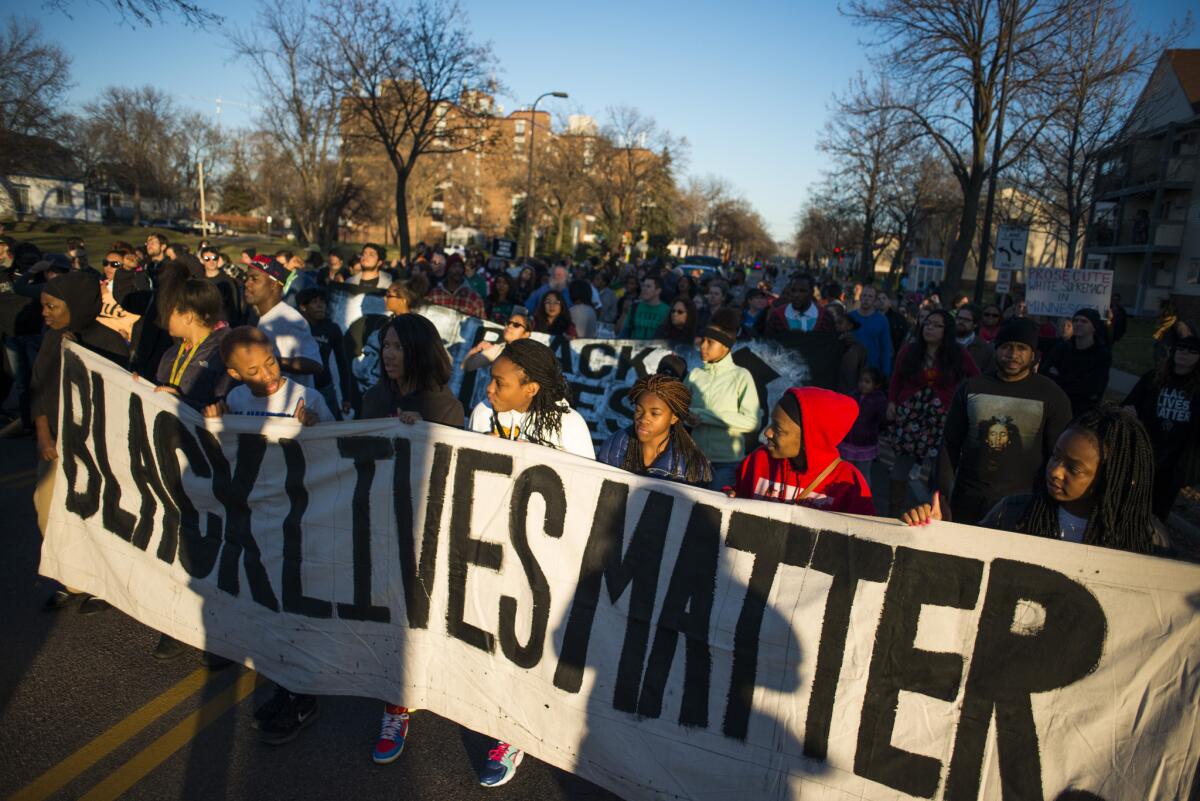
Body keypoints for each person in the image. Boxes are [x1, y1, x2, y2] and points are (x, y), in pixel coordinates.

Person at [466, 338, 594, 786]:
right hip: (490, 548)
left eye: (499, 382)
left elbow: (586, 494)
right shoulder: (484, 415)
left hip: (542, 561)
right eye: (489, 379)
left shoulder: (568, 426)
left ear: (532, 388)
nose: (489, 389)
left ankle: (514, 732)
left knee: (527, 647)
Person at [205, 326, 331, 744]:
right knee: (268, 610)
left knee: (294, 610)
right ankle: (283, 685)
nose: (269, 375)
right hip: (257, 524)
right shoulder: (235, 402)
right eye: (255, 370)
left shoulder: (305, 398)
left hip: (300, 523)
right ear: (235, 374)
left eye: (272, 362)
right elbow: (226, 459)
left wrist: (315, 428)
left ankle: (302, 696)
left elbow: (339, 454)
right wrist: (213, 428)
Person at [905, 406, 1168, 555]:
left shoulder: (1149, 538)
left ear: (1115, 477)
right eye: (1055, 457)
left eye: (1074, 469)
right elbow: (970, 565)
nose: (1055, 471)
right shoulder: (1012, 513)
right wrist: (942, 534)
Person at [33, 272, 130, 613]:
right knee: (48, 506)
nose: (45, 313)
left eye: (52, 306)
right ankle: (73, 580)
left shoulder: (110, 342)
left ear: (75, 305)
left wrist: (78, 352)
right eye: (43, 306)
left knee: (97, 514)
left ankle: (105, 584)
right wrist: (44, 434)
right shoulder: (50, 339)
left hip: (96, 447)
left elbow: (118, 395)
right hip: (58, 444)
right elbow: (39, 389)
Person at [936, 317, 1073, 525]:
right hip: (968, 500)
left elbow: (1059, 455)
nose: (1013, 354)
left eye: (1021, 348)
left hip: (1023, 505)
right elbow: (950, 445)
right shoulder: (971, 388)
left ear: (1033, 354)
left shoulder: (1051, 395)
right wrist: (942, 495)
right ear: (996, 349)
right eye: (1007, 347)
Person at [885, 309, 979, 515]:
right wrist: (892, 402)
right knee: (901, 465)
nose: (929, 328)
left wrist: (964, 405)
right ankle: (893, 512)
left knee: (939, 468)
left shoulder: (958, 353)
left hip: (942, 416)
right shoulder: (910, 350)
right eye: (927, 323)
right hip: (910, 414)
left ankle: (936, 512)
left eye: (937, 325)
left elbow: (976, 378)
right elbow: (896, 379)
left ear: (947, 330)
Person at [729, 387, 874, 513]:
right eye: (771, 423)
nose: (767, 433)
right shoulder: (759, 460)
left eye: (778, 429)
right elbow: (738, 492)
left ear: (810, 439)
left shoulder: (849, 482)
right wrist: (728, 495)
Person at [1122, 328, 1200, 522]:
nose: (1185, 354)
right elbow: (1129, 402)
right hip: (1145, 449)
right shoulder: (1153, 378)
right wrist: (1129, 409)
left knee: (1158, 509)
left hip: (1175, 458)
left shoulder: (1198, 387)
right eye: (1181, 349)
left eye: (1192, 352)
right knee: (1131, 499)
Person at [687, 308, 761, 491]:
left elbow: (752, 422)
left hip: (728, 464)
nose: (703, 346)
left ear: (726, 346)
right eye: (703, 340)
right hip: (694, 460)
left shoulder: (741, 376)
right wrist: (686, 417)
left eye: (710, 342)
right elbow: (680, 411)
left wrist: (703, 416)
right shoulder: (694, 374)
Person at [597, 374, 713, 486]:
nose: (643, 419)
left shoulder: (693, 466)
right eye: (639, 410)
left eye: (655, 413)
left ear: (674, 417)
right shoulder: (613, 446)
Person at [361, 314, 464, 424]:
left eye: (399, 347)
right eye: (386, 345)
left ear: (421, 352)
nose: (388, 354)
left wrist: (423, 428)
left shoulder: (447, 408)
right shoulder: (373, 397)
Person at [243, 257, 322, 388]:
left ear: (273, 284)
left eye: (254, 279)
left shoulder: (289, 319)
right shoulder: (257, 316)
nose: (247, 283)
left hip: (292, 405)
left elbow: (314, 364)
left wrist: (268, 362)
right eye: (247, 278)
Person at [1039, 308, 1111, 418]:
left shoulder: (1101, 354)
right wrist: (1074, 380)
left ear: (1094, 327)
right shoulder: (1062, 348)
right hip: (1055, 406)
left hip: (1083, 413)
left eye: (1084, 321)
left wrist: (1060, 377)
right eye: (1076, 320)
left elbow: (1092, 389)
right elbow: (1044, 374)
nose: (1078, 324)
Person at [297, 287, 352, 418]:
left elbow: (342, 364)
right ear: (303, 307)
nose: (320, 305)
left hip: (325, 388)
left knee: (331, 427)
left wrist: (347, 397)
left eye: (323, 301)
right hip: (300, 389)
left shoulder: (332, 329)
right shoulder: (296, 327)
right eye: (314, 302)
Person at [839, 367, 887, 491]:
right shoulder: (852, 396)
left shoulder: (879, 401)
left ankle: (863, 498)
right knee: (845, 472)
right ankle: (844, 495)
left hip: (866, 444)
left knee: (862, 475)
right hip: (849, 441)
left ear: (876, 385)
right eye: (861, 381)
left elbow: (882, 421)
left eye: (867, 382)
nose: (862, 384)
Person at [462, 307, 532, 373]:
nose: (509, 326)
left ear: (526, 334)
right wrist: (476, 349)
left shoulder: (531, 355)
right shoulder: (497, 350)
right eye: (508, 323)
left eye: (516, 325)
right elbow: (466, 366)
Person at [849, 285, 893, 377]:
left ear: (875, 300)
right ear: (860, 297)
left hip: (872, 370)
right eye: (864, 295)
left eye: (870, 296)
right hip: (852, 368)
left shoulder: (882, 320)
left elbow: (885, 349)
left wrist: (885, 374)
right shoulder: (850, 317)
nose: (866, 299)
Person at [766, 274, 833, 334]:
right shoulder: (777, 316)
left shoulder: (825, 316)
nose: (796, 295)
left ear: (811, 292)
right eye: (793, 290)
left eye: (802, 291)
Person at [832, 308, 868, 395]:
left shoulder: (859, 349)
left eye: (840, 323)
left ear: (850, 326)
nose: (836, 326)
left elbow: (862, 373)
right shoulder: (830, 346)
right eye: (835, 323)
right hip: (832, 391)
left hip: (850, 393)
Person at [955, 303, 995, 373]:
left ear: (975, 324)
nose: (961, 322)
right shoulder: (944, 340)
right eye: (959, 318)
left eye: (966, 320)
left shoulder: (985, 348)